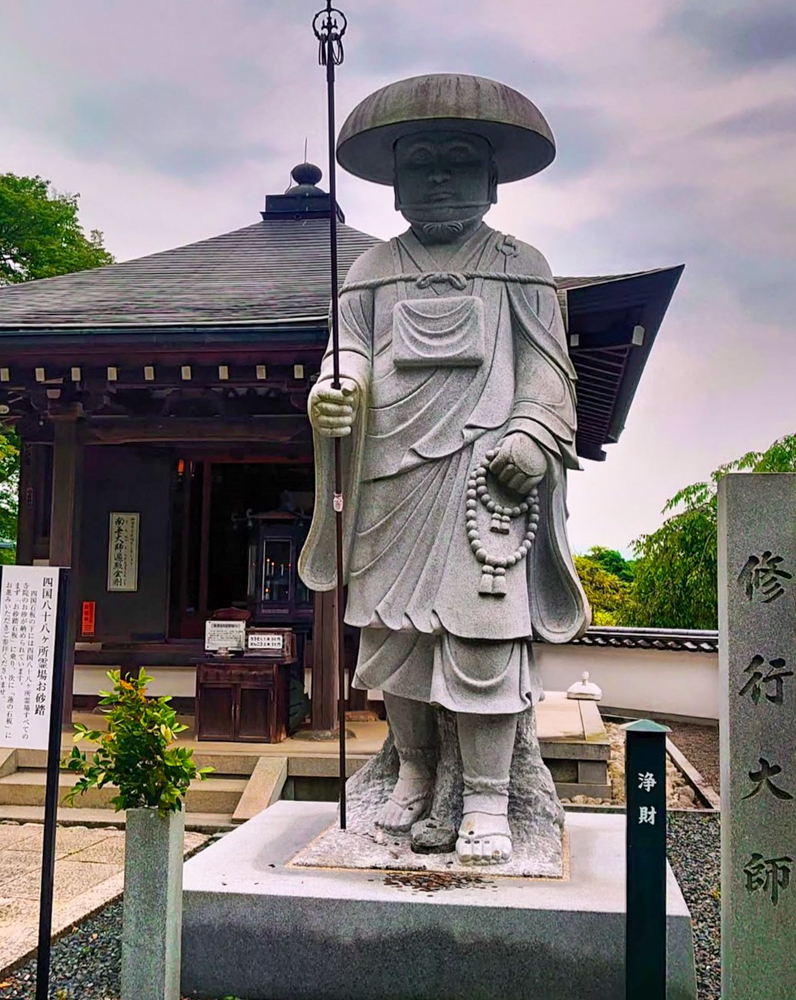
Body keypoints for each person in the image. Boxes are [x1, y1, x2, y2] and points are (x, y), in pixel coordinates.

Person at [300, 74, 589, 865]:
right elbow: (348, 350)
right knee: (394, 640)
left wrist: (532, 431)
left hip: (482, 473)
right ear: (393, 183)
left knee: (482, 639)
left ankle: (489, 801)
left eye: (455, 160)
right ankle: (414, 778)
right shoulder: (367, 269)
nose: (434, 177)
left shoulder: (519, 265)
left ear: (491, 177)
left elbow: (549, 369)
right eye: (417, 161)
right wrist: (333, 389)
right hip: (390, 472)